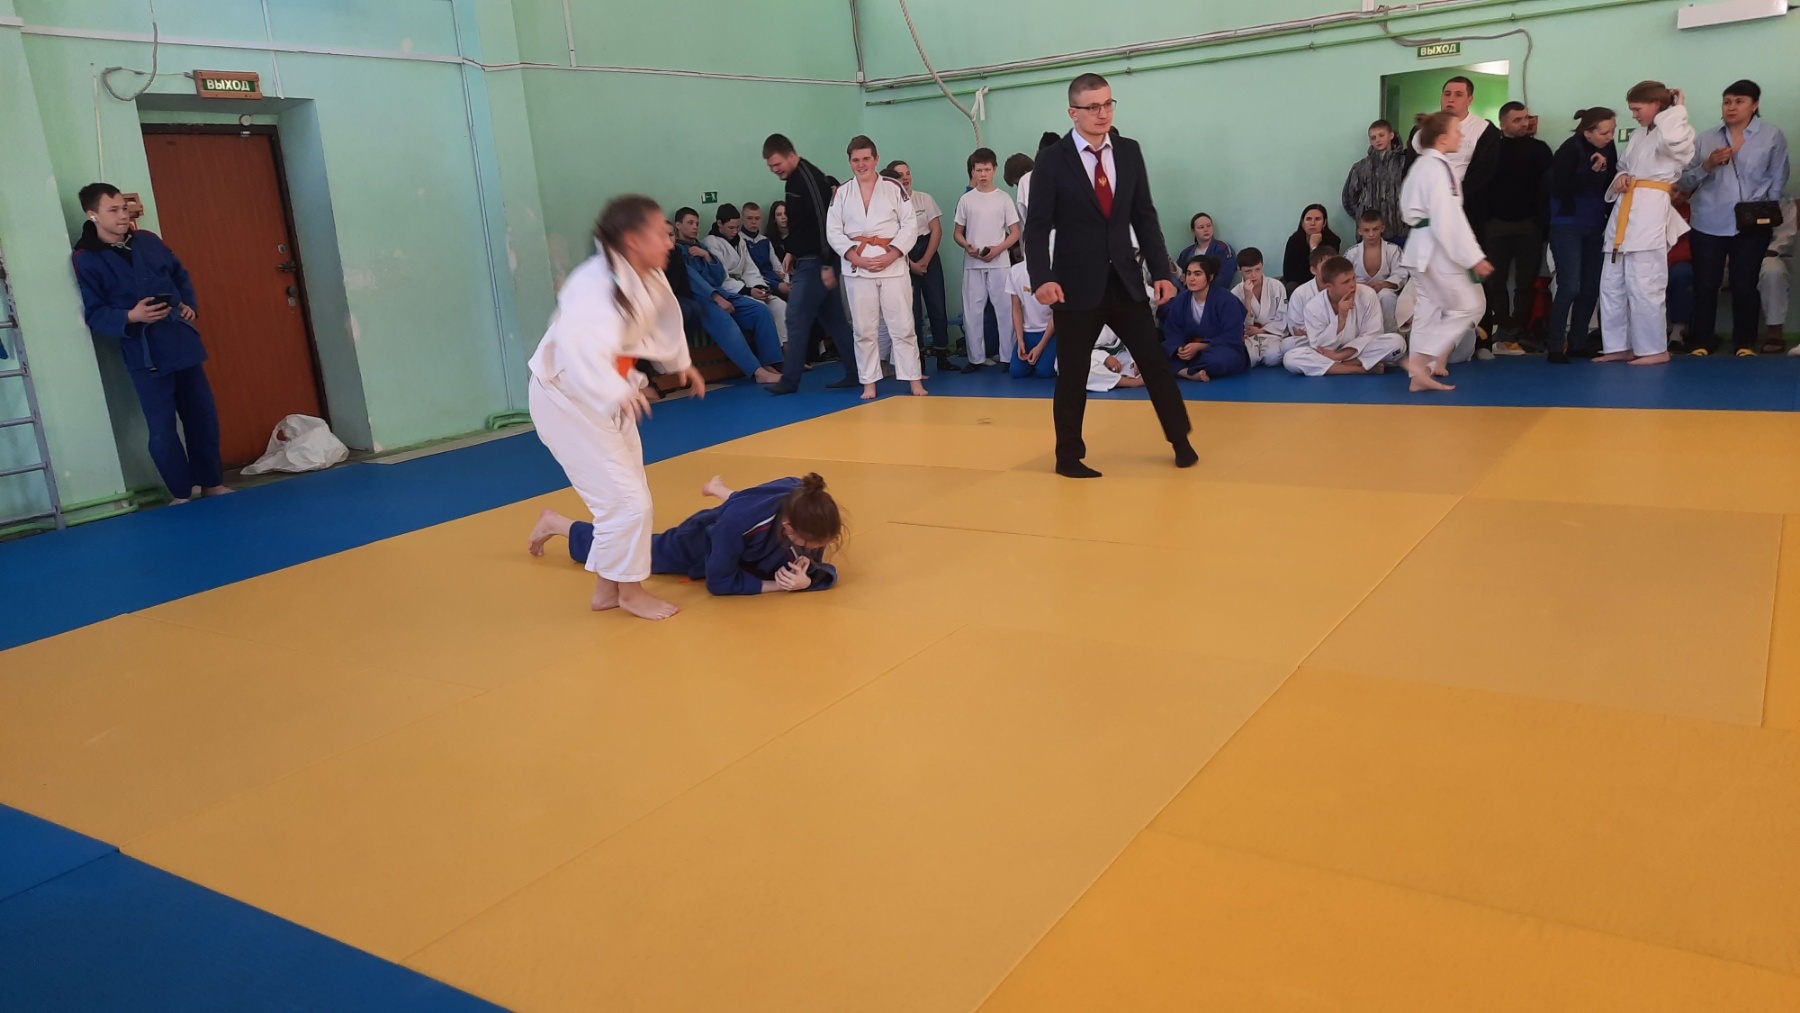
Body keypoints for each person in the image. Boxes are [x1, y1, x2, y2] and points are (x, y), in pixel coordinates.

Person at [525, 194, 706, 620]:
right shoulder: (592, 285)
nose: (669, 241)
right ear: (632, 240)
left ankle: (607, 588)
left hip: (611, 391)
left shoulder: (647, 275)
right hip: (566, 398)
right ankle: (631, 593)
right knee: (626, 503)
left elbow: (664, 318)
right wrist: (612, 387)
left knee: (632, 494)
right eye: (660, 233)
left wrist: (680, 362)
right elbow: (576, 345)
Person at [1025, 72, 1196, 478]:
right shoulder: (1052, 160)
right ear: (1073, 112)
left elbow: (1144, 216)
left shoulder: (1129, 151)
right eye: (1092, 107)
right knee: (1072, 373)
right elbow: (1037, 226)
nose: (1102, 113)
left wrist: (1161, 271)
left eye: (1107, 104)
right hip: (1073, 283)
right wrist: (1042, 278)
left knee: (1153, 362)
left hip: (1124, 279)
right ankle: (1068, 456)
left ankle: (1180, 440)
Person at [71, 183, 228, 504]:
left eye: (124, 208)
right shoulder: (85, 259)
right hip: (144, 353)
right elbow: (95, 313)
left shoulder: (148, 241)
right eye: (113, 210)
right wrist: (131, 315)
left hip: (180, 341)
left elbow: (179, 274)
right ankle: (180, 493)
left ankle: (212, 483)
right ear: (92, 215)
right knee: (162, 428)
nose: (122, 215)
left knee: (203, 416)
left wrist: (188, 304)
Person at [531, 473, 842, 596]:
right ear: (788, 527)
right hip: (698, 540)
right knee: (640, 553)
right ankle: (559, 525)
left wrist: (806, 577)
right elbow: (718, 583)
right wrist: (779, 586)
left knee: (741, 510)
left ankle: (719, 489)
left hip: (741, 520)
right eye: (808, 545)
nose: (812, 551)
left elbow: (747, 499)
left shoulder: (803, 494)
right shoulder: (738, 523)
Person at [1678, 79, 1791, 356]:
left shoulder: (1771, 135)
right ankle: (1701, 341)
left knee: (1745, 283)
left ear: (1755, 105)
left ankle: (1744, 342)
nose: (1731, 107)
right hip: (1708, 220)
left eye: (1739, 101)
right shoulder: (1706, 138)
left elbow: (1779, 176)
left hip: (1753, 222)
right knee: (1705, 283)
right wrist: (1708, 164)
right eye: (1727, 101)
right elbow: (1684, 180)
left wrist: (1766, 208)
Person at [1597, 81, 1696, 366]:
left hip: (1650, 211)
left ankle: (1654, 349)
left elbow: (1677, 145)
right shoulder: (1639, 135)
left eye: (1638, 109)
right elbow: (1624, 167)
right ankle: (1619, 345)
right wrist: (1620, 179)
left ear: (1656, 105)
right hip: (1624, 211)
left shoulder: (1676, 131)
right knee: (1612, 284)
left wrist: (1676, 109)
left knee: (1646, 284)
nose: (1634, 115)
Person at [1399, 111, 1496, 391]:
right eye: (1456, 130)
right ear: (1442, 138)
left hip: (1419, 247)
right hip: (1436, 250)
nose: (1461, 135)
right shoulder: (1439, 169)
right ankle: (1421, 360)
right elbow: (1448, 219)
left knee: (1427, 309)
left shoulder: (1422, 165)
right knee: (1469, 306)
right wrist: (1473, 258)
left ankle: (1418, 377)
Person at [826, 135, 924, 400]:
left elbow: (910, 224)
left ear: (876, 159)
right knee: (864, 329)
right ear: (850, 162)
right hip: (857, 266)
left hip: (892, 263)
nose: (861, 164)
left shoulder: (893, 187)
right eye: (856, 160)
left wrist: (893, 253)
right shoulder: (842, 193)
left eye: (866, 159)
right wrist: (853, 257)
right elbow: (833, 230)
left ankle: (913, 379)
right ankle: (869, 382)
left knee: (903, 325)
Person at [761, 134, 859, 394]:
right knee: (835, 320)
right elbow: (802, 223)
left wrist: (826, 265)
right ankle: (856, 372)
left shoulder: (808, 178)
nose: (775, 170)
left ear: (791, 155)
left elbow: (824, 221)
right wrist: (792, 250)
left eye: (777, 164)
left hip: (817, 262)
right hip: (810, 258)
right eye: (771, 166)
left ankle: (789, 380)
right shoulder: (794, 179)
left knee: (794, 317)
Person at [674, 207, 783, 383]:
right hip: (702, 299)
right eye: (690, 223)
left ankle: (768, 364)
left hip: (722, 292)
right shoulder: (677, 250)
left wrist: (707, 257)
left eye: (697, 223)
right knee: (726, 322)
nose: (695, 227)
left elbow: (719, 276)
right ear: (678, 225)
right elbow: (693, 279)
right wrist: (716, 297)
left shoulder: (701, 247)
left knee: (761, 311)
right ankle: (757, 372)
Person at [1545, 107, 1620, 362]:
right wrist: (1591, 172)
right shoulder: (1569, 149)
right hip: (1567, 224)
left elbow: (1610, 183)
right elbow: (1559, 188)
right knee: (1569, 285)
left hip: (1595, 224)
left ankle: (1578, 342)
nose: (1609, 137)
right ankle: (1555, 345)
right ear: (1588, 133)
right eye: (1604, 133)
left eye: (1612, 131)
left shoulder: (1609, 148)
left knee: (1591, 286)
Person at [1482, 102, 1555, 354]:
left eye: (1526, 118)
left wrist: (1542, 223)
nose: (1524, 123)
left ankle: (1520, 327)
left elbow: (1549, 189)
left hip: (1529, 225)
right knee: (1495, 280)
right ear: (1503, 124)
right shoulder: (1491, 150)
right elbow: (1481, 188)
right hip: (1496, 225)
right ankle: (1504, 325)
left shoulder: (1540, 150)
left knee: (1526, 281)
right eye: (1517, 120)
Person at [954, 147, 1022, 371]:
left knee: (1005, 311)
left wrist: (998, 249)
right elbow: (957, 233)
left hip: (999, 263)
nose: (983, 174)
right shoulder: (966, 200)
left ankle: (1007, 358)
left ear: (994, 169)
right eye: (978, 170)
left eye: (986, 169)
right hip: (973, 264)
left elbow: (1015, 232)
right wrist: (967, 246)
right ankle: (975, 358)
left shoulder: (1003, 199)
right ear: (973, 172)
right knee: (972, 312)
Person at [1282, 256, 1405, 377]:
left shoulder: (1368, 294)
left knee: (1397, 343)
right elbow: (1320, 348)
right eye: (1345, 282)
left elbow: (1372, 334)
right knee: (1291, 358)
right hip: (1330, 353)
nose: (1352, 285)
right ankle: (1358, 369)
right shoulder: (1313, 307)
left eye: (1353, 278)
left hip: (1358, 350)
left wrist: (1339, 356)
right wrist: (1341, 319)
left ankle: (1337, 367)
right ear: (1329, 287)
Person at [887, 160, 952, 371]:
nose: (905, 178)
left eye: (907, 173)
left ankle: (942, 354)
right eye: (900, 175)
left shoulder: (924, 198)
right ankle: (918, 358)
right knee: (912, 311)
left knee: (937, 306)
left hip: (928, 252)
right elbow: (891, 240)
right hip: (904, 257)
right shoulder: (890, 206)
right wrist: (911, 264)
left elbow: (936, 231)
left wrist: (925, 260)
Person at [704, 203, 788, 345]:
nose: (735, 232)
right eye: (731, 228)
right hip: (733, 292)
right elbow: (723, 278)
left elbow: (750, 269)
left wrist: (760, 288)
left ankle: (787, 349)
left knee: (780, 305)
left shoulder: (740, 241)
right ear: (719, 223)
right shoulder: (711, 242)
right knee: (762, 309)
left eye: (737, 227)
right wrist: (749, 291)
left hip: (749, 286)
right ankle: (772, 352)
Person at [1162, 256, 1249, 382]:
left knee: (1220, 360)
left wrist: (1201, 346)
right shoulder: (1181, 300)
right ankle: (1188, 373)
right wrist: (1180, 348)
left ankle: (1182, 370)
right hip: (1189, 350)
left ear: (1210, 277)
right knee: (1159, 352)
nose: (1191, 278)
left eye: (1197, 274)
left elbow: (1233, 336)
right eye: (1189, 274)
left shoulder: (1226, 300)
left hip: (1219, 349)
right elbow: (1173, 331)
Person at [1342, 119, 1409, 241]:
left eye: (1381, 135)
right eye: (1373, 138)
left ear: (1391, 135)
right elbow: (1348, 198)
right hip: (1369, 234)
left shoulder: (1404, 163)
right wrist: (1363, 217)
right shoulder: (1361, 167)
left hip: (1399, 230)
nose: (1377, 140)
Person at [1231, 247, 1294, 367]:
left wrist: (1262, 330)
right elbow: (1242, 326)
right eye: (1248, 271)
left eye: (1257, 269)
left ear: (1262, 265)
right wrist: (1247, 299)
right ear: (1239, 270)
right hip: (1249, 338)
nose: (1254, 275)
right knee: (1250, 359)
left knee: (1273, 358)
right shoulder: (1235, 293)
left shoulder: (1276, 286)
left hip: (1272, 334)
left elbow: (1283, 317)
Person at [1349, 210, 1409, 332]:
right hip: (1359, 292)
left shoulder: (1393, 250)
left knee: (1386, 296)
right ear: (1359, 231)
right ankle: (1359, 334)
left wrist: (1383, 284)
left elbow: (1401, 273)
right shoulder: (1352, 253)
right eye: (1366, 230)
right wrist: (1361, 287)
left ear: (1382, 228)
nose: (1371, 234)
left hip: (1385, 290)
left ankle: (1390, 334)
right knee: (1355, 299)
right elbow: (1344, 278)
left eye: (1375, 229)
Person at [1008, 252, 1057, 378]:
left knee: (1044, 372)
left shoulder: (1054, 271)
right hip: (1028, 333)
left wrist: (1041, 346)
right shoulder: (1015, 271)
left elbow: (1056, 313)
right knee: (1016, 371)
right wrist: (1020, 340)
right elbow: (1016, 308)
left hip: (1050, 332)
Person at [1280, 204, 1343, 291]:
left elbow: (1328, 271)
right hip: (1299, 282)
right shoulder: (1294, 241)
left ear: (1324, 223)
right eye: (1308, 219)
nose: (1312, 223)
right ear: (1303, 223)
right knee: (1291, 286)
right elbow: (1288, 273)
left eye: (1317, 219)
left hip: (1324, 282)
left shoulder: (1333, 241)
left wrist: (1314, 247)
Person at [1285, 244, 1340, 342]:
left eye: (1334, 265)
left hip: (1341, 336)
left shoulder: (1343, 288)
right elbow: (1296, 327)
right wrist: (1317, 334)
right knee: (1287, 344)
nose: (1330, 270)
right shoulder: (1300, 293)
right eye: (1325, 266)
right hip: (1309, 339)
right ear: (1313, 270)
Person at [1761, 198, 1795, 353]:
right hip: (1726, 257)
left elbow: (1785, 237)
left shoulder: (1783, 200)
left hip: (1767, 255)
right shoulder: (1723, 195)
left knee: (1773, 271)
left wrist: (1764, 253)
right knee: (1705, 270)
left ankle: (1774, 333)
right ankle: (1701, 334)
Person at [1174, 212, 1238, 289]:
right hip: (1190, 293)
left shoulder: (1222, 248)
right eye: (1201, 227)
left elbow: (1226, 276)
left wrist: (1204, 288)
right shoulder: (1186, 253)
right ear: (1193, 231)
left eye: (1209, 225)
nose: (1206, 229)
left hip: (1215, 293)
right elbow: (1180, 275)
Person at [740, 202, 789, 301]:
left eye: (757, 218)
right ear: (742, 219)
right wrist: (777, 285)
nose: (754, 222)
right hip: (758, 285)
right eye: (750, 218)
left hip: (776, 282)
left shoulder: (765, 240)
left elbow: (778, 266)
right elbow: (749, 273)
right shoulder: (739, 240)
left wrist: (786, 282)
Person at [1086, 326, 1144, 391]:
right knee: (1082, 369)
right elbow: (1078, 350)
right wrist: (1105, 358)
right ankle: (1131, 382)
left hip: (1121, 356)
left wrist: (1136, 356)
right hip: (1092, 358)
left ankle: (1110, 377)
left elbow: (1134, 333)